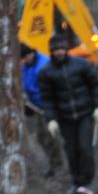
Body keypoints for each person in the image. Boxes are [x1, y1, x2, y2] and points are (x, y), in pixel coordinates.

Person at [36, 33, 98, 194]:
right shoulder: (46, 73)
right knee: (71, 150)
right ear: (51, 52)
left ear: (66, 49)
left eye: (61, 48)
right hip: (65, 117)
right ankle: (76, 182)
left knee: (85, 148)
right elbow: (48, 99)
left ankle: (87, 181)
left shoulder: (82, 65)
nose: (59, 52)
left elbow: (95, 85)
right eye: (55, 50)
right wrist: (51, 119)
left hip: (85, 114)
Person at [20, 47, 61, 178]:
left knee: (49, 136)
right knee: (41, 137)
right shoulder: (26, 66)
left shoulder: (44, 64)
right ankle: (53, 162)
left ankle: (57, 163)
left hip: (48, 105)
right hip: (37, 106)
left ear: (31, 53)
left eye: (26, 57)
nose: (24, 60)